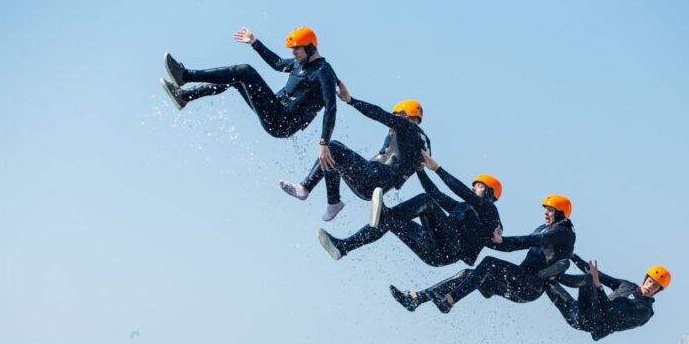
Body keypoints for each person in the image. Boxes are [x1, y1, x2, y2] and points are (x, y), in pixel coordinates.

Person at [160, 27, 338, 168]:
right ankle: (184, 96)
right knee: (236, 79)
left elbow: (331, 107)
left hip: (282, 122)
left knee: (244, 71)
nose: (293, 53)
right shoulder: (299, 63)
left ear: (310, 47)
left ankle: (185, 75)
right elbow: (276, 63)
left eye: (297, 49)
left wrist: (324, 143)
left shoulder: (323, 72)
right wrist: (254, 42)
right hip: (275, 108)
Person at [390, 195, 575, 313]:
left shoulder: (563, 232)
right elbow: (513, 246)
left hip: (530, 285)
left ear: (561, 213)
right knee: (468, 274)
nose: (545, 213)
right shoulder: (543, 228)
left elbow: (533, 241)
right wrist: (486, 240)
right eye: (545, 209)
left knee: (489, 263)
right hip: (518, 282)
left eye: (550, 210)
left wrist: (502, 241)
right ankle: (416, 299)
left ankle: (450, 300)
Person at [316, 151, 502, 267]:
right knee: (399, 218)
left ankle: (385, 215)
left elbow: (460, 190)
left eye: (478, 186)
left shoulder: (490, 213)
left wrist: (437, 168)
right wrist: (420, 171)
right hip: (433, 252)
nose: (473, 188)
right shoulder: (464, 208)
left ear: (490, 193)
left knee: (424, 202)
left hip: (449, 249)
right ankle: (343, 247)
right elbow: (435, 192)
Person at [279, 81, 430, 221]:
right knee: (335, 151)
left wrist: (352, 101)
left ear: (404, 115)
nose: (393, 118)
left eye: (395, 115)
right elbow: (418, 167)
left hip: (375, 176)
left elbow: (379, 114)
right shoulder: (424, 142)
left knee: (331, 148)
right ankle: (334, 203)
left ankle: (305, 188)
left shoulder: (405, 125)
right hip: (378, 187)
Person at [545, 255, 670, 340]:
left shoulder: (644, 310)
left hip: (591, 321)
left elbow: (610, 310)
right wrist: (572, 256)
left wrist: (598, 286)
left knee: (588, 280)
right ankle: (542, 276)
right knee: (544, 281)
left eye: (655, 286)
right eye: (649, 281)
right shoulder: (627, 286)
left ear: (658, 291)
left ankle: (555, 276)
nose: (650, 286)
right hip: (575, 310)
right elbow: (598, 275)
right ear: (645, 279)